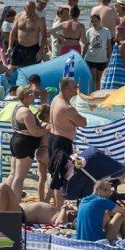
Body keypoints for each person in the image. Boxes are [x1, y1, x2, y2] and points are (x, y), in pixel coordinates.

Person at [47, 79, 86, 207]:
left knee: (54, 174)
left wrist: (73, 122)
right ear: (67, 90)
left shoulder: (55, 99)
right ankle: (58, 211)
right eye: (75, 87)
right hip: (62, 142)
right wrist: (75, 121)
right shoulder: (67, 107)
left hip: (53, 137)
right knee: (61, 178)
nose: (77, 89)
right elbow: (83, 122)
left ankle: (47, 203)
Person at [6, 87, 48, 201]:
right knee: (19, 177)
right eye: (31, 94)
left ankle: (6, 199)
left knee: (13, 174)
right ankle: (14, 204)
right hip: (25, 143)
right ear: (25, 96)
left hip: (16, 140)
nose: (33, 96)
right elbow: (35, 132)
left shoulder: (17, 107)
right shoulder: (26, 111)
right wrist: (48, 129)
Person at [8, 0, 46, 69]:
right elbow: (13, 32)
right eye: (28, 11)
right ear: (24, 8)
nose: (30, 13)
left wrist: (40, 51)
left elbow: (44, 36)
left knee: (31, 70)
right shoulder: (18, 16)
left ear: (34, 9)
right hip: (19, 47)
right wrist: (10, 46)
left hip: (33, 49)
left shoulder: (40, 20)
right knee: (11, 68)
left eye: (32, 10)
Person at [84, 12, 112, 88]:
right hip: (90, 58)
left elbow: (109, 45)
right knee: (93, 79)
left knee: (98, 80)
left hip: (102, 59)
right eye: (92, 22)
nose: (94, 23)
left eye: (95, 21)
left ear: (99, 21)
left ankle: (97, 94)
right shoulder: (89, 31)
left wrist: (109, 57)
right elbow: (86, 45)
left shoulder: (106, 31)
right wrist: (82, 56)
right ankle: (91, 95)